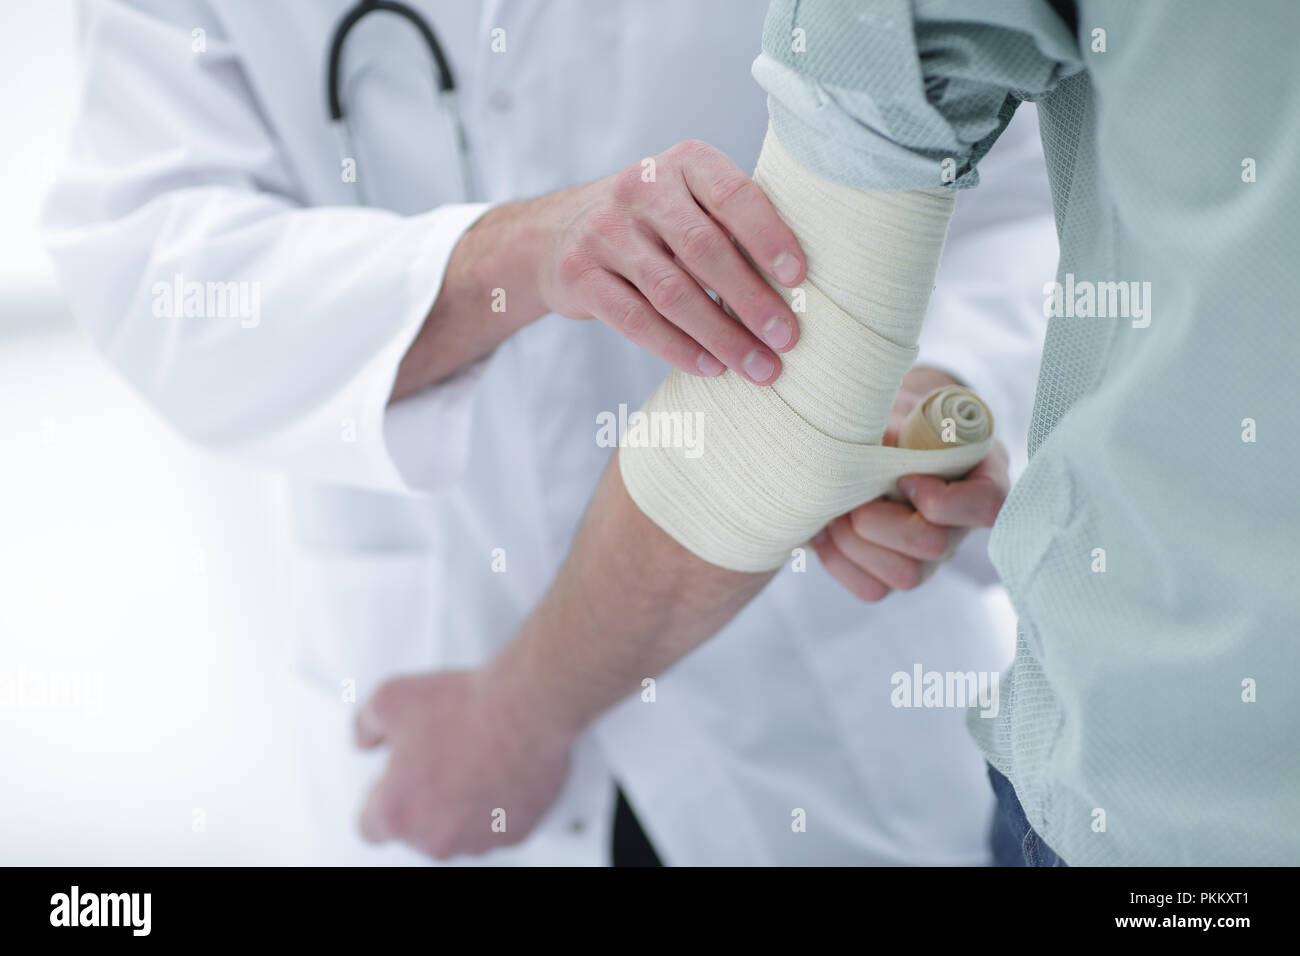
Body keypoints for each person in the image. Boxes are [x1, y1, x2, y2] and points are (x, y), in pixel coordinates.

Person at [44, 0, 1052, 865]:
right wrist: (509, 256)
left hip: (823, 693)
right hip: (435, 683)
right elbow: (154, 272)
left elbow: (1021, 197)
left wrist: (936, 390)